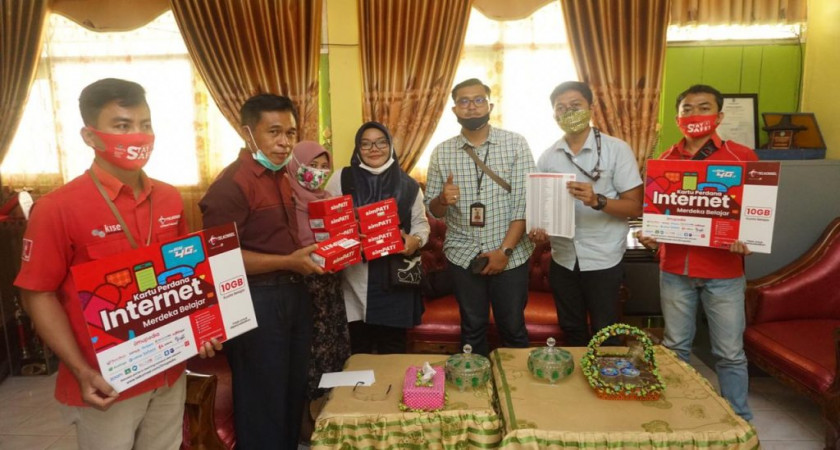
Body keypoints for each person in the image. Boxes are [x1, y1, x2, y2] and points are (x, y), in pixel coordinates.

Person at [14, 78, 221, 449]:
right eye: (122, 126)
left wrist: (201, 327)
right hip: (106, 379)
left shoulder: (170, 198)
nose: (137, 136)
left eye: (145, 124)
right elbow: (37, 294)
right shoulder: (57, 208)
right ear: (89, 136)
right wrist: (80, 370)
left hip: (169, 369)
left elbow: (185, 274)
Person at [199, 94, 323, 448]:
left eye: (290, 133)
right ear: (248, 133)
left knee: (291, 391)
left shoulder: (281, 176)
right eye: (274, 132)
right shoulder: (231, 185)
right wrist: (288, 261)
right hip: (255, 299)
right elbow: (218, 259)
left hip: (293, 292)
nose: (284, 142)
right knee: (261, 398)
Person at [637, 84, 755, 421]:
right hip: (675, 269)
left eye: (704, 108)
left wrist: (748, 238)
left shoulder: (742, 157)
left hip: (724, 272)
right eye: (687, 109)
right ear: (678, 117)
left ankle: (739, 419)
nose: (695, 115)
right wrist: (652, 238)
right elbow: (659, 214)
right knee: (675, 348)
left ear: (719, 116)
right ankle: (680, 416)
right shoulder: (663, 162)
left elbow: (755, 215)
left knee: (729, 353)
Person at [425, 78, 536, 356]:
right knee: (472, 329)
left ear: (490, 106)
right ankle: (476, 383)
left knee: (512, 328)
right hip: (462, 254)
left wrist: (504, 252)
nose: (471, 106)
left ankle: (515, 384)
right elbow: (433, 210)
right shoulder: (441, 152)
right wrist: (442, 199)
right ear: (454, 110)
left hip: (510, 255)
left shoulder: (516, 144)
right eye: (464, 101)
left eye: (478, 100)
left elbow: (524, 204)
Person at [529, 81, 643, 346]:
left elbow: (635, 206)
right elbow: (541, 209)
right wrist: (538, 231)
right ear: (554, 115)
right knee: (571, 330)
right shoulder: (548, 157)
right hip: (563, 259)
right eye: (561, 108)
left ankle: (606, 373)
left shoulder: (617, 149)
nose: (568, 112)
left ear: (591, 108)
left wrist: (597, 200)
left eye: (575, 105)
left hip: (603, 258)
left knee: (606, 333)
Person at [325, 121, 429, 354]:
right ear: (358, 148)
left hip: (395, 278)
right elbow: (328, 221)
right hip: (355, 277)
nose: (374, 149)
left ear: (390, 145)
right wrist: (348, 231)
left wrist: (415, 241)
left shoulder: (409, 184)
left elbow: (421, 224)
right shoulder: (342, 178)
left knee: (392, 349)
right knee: (359, 349)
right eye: (366, 144)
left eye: (381, 142)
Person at [286, 140, 351, 400]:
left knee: (334, 342)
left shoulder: (329, 200)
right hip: (303, 283)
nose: (319, 172)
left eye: (325, 166)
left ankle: (333, 401)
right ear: (296, 164)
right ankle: (308, 407)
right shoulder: (287, 200)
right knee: (310, 347)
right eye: (313, 165)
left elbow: (341, 235)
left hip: (331, 282)